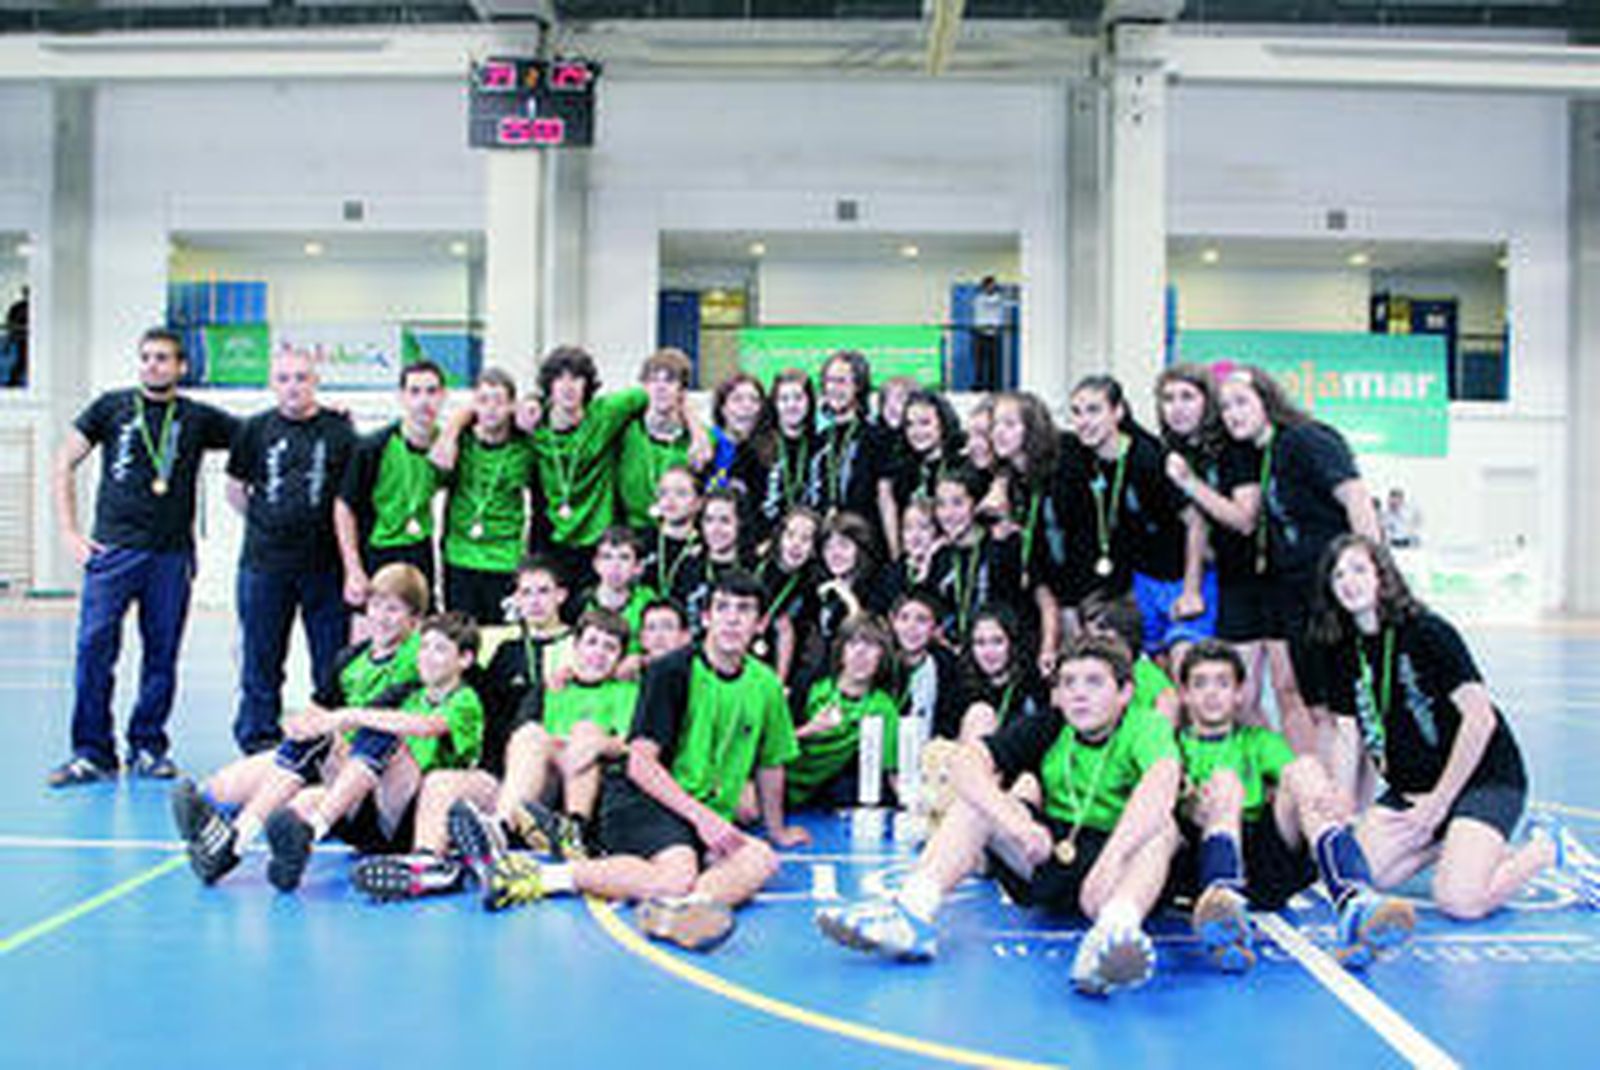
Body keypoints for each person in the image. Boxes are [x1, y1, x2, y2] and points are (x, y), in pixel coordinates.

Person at [458, 570, 810, 952]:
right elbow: (641, 765)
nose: (732, 619)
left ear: (760, 624)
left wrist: (776, 830)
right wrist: (702, 819)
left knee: (761, 859)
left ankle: (682, 912)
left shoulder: (766, 684)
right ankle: (538, 876)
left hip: (704, 810)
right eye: (722, 608)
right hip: (644, 798)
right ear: (706, 618)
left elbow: (771, 763)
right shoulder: (671, 671)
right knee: (676, 874)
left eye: (744, 610)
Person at [817, 635, 1182, 997]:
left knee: (1163, 828)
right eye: (1068, 682)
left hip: (1121, 875)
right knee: (977, 802)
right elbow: (964, 762)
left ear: (1125, 693)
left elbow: (1162, 785)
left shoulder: (1146, 726)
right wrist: (1017, 825)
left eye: (1094, 682)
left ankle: (1112, 936)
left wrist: (1112, 859)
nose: (1078, 693)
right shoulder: (1052, 724)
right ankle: (913, 914)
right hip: (1052, 856)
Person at [1306, 535, 1565, 920]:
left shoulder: (1427, 631)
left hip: (1483, 780)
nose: (1349, 581)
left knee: (1460, 901)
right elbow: (1348, 732)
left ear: (1383, 575)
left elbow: (1481, 720)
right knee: (1364, 873)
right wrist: (1343, 796)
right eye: (1338, 574)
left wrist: (1439, 804)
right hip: (1414, 789)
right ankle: (1459, 840)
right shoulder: (1341, 648)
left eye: (1359, 569)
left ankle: (1544, 849)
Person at [48, 327, 237, 785]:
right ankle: (92, 752)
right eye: (147, 357)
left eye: (164, 359)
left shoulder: (196, 417)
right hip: (113, 552)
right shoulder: (110, 407)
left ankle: (148, 746)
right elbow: (62, 462)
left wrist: (327, 412)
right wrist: (70, 532)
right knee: (94, 650)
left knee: (161, 655)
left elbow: (263, 433)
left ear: (181, 367)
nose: (154, 365)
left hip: (170, 557)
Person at [170, 563, 428, 885]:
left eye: (394, 610)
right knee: (276, 799)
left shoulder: (422, 655)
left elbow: (385, 715)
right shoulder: (350, 660)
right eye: (376, 605)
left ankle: (244, 840)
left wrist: (329, 725)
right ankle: (226, 835)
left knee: (360, 738)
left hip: (393, 786)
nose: (381, 617)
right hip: (345, 773)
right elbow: (319, 710)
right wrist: (301, 725)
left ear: (415, 621)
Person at [1173, 639, 1414, 972]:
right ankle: (1223, 904)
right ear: (1184, 694)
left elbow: (1296, 779)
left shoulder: (1258, 741)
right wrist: (1189, 803)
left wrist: (1322, 793)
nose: (1211, 693)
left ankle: (1354, 899)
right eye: (1200, 683)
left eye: (1222, 683)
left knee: (1305, 769)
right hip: (1201, 863)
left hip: (1264, 863)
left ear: (1240, 693)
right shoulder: (1172, 745)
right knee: (1225, 783)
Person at [258, 611, 484, 893]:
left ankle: (318, 831)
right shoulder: (407, 694)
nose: (426, 655)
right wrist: (311, 726)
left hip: (415, 813)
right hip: (379, 808)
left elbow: (426, 726)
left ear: (464, 659)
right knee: (307, 786)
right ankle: (248, 842)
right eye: (424, 646)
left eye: (439, 649)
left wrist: (347, 715)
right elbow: (352, 737)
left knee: (385, 736)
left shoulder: (465, 700)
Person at [226, 347, 358, 754]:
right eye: (284, 378)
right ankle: (259, 741)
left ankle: (327, 738)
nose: (293, 386)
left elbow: (350, 499)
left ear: (315, 381)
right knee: (261, 660)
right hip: (264, 566)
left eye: (302, 377)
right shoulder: (253, 429)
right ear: (272, 384)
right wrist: (272, 522)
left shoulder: (340, 430)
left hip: (325, 567)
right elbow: (235, 491)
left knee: (331, 663)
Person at [528, 346, 650, 587]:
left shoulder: (605, 413)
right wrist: (529, 401)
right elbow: (486, 410)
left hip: (599, 542)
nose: (568, 386)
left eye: (576, 377)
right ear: (549, 386)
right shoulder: (533, 422)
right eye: (559, 378)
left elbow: (656, 393)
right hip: (551, 540)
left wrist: (697, 430)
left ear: (587, 384)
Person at [430, 367, 539, 624]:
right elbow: (438, 471)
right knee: (461, 638)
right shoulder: (460, 440)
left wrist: (532, 406)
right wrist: (452, 428)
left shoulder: (525, 445)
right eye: (483, 400)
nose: (491, 409)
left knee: (500, 640)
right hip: (459, 558)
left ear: (512, 405)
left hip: (504, 559)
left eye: (499, 401)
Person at [334, 360, 447, 607]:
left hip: (420, 550)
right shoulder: (372, 447)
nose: (423, 401)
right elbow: (344, 508)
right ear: (401, 397)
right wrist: (353, 570)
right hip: (376, 551)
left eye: (431, 391)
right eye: (415, 391)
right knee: (371, 635)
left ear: (443, 396)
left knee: (420, 634)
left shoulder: (446, 445)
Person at [788, 615, 902, 810]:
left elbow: (892, 772)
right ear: (841, 652)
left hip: (815, 796)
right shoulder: (810, 686)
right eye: (853, 644)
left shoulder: (883, 708)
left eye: (872, 646)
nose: (861, 653)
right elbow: (767, 746)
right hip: (773, 779)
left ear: (882, 656)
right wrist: (810, 729)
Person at [614, 347, 709, 533]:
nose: (661, 387)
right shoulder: (626, 430)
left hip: (679, 534)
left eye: (670, 380)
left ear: (682, 390)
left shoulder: (698, 439)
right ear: (644, 387)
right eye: (653, 380)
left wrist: (695, 426)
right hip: (631, 536)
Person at [970, 275, 1009, 392]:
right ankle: (979, 384)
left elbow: (1000, 305)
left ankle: (992, 386)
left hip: (994, 333)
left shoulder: (1000, 299)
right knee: (979, 362)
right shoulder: (978, 299)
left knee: (993, 362)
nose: (990, 288)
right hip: (980, 332)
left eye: (993, 285)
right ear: (984, 286)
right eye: (988, 285)